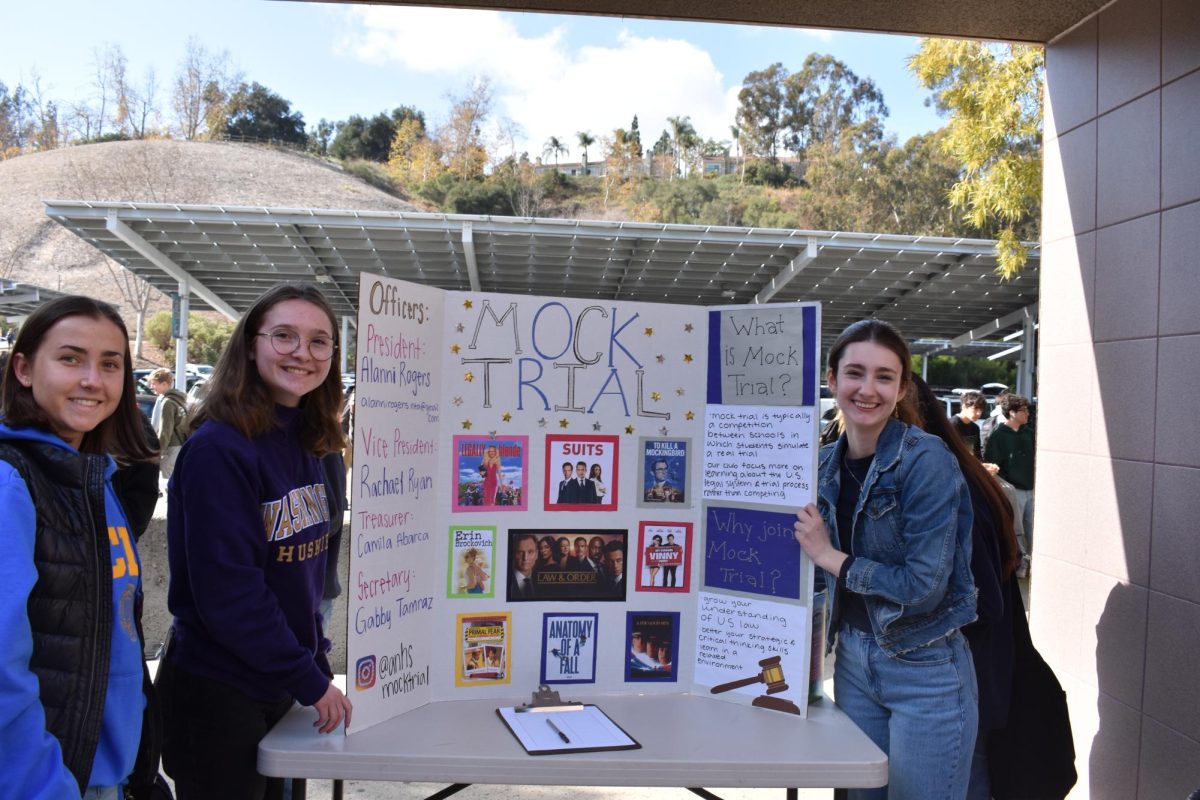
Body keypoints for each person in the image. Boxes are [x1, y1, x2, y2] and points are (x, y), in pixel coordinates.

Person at [159, 284, 352, 800]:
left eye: (319, 341)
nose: (302, 353)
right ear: (249, 344)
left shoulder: (306, 438)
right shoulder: (219, 449)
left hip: (277, 682)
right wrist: (308, 678)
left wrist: (313, 661)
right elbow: (230, 595)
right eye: (284, 336)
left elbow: (303, 575)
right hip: (219, 692)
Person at [792, 319, 978, 800]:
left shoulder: (926, 459)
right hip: (851, 661)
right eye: (855, 373)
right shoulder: (821, 464)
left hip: (925, 667)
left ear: (901, 389)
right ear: (831, 380)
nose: (867, 389)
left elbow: (923, 587)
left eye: (884, 377)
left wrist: (830, 556)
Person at [0, 296, 162, 800]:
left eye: (110, 364)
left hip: (108, 773)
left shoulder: (95, 479)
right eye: (71, 358)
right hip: (53, 781)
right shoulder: (11, 481)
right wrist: (44, 786)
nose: (93, 379)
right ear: (24, 369)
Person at [912, 377, 1021, 800]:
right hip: (973, 681)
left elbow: (981, 602)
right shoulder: (962, 476)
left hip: (962, 685)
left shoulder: (953, 489)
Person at [984, 393, 1035, 572]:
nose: (1027, 413)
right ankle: (1020, 566)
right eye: (1023, 410)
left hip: (1032, 488)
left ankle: (1029, 565)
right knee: (1017, 531)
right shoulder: (998, 435)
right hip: (1013, 489)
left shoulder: (1029, 433)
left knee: (1032, 530)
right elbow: (993, 464)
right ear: (1011, 413)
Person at [149, 367, 189, 479]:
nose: (152, 387)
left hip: (171, 448)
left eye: (154, 383)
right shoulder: (179, 400)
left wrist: (158, 451)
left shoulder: (167, 403)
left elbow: (165, 431)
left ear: (164, 384)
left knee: (170, 483)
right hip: (181, 445)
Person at [950, 390, 988, 461]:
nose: (978, 413)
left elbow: (977, 453)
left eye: (981, 410)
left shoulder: (975, 428)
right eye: (975, 408)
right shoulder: (951, 425)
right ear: (964, 406)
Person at [508, 533, 538, 598]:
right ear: (513, 554)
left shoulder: (540, 582)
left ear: (536, 555)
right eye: (520, 552)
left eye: (530, 552)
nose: (525, 558)